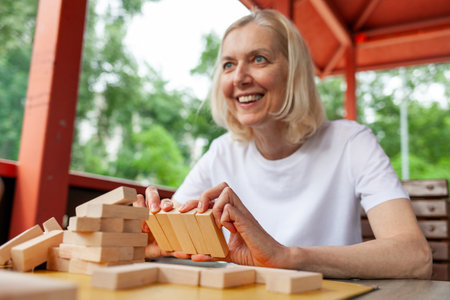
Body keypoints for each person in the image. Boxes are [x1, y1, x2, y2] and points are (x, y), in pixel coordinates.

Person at [134, 9, 432, 279]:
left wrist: (286, 257)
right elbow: (166, 236)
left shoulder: (350, 142)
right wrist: (150, 238)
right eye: (228, 64)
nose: (239, 77)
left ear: (295, 73)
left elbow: (415, 257)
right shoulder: (222, 151)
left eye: (258, 59)